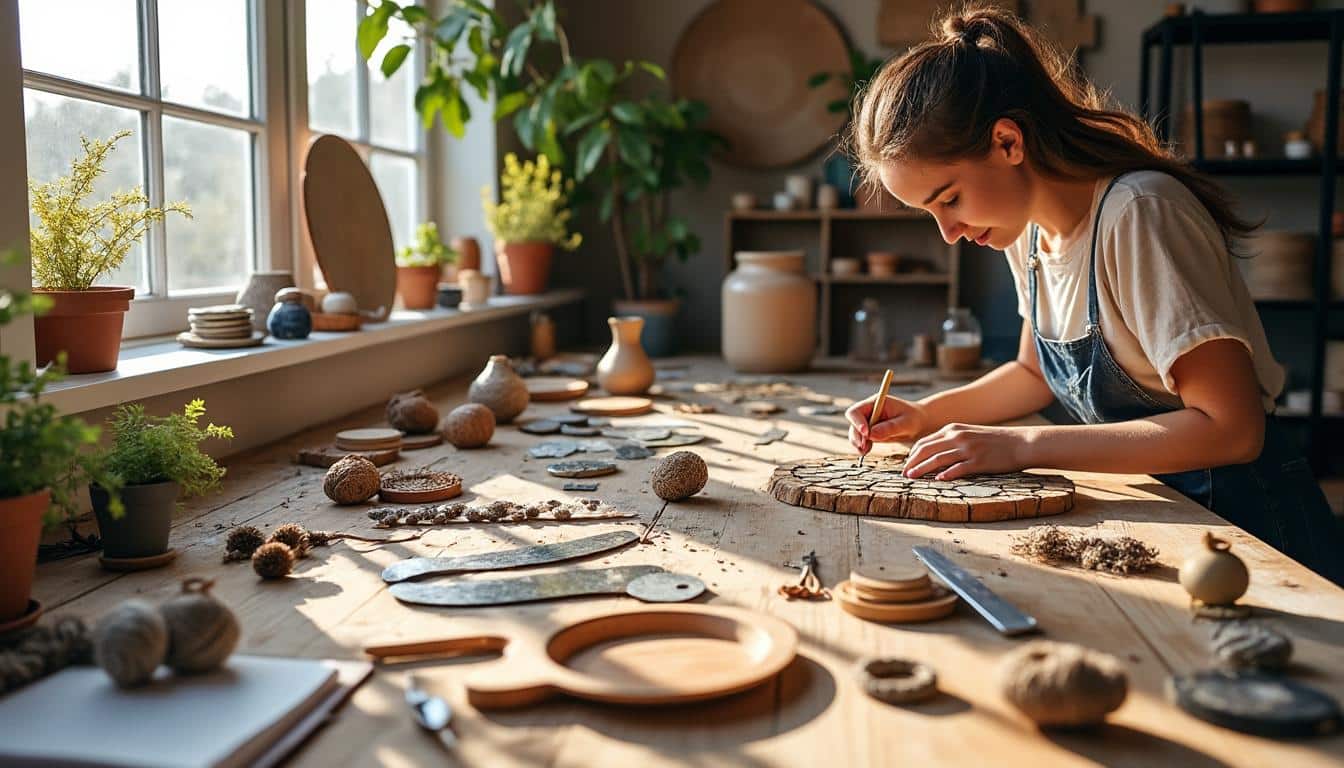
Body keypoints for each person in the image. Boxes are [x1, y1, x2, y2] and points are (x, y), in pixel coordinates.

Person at [842, 5, 1342, 584]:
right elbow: (1033, 373)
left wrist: (1020, 446)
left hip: (1250, 532)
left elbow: (1232, 429)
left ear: (1007, 142)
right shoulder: (1025, 231)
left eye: (949, 199)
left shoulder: (1140, 214)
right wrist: (927, 416)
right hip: (1163, 513)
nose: (948, 233)